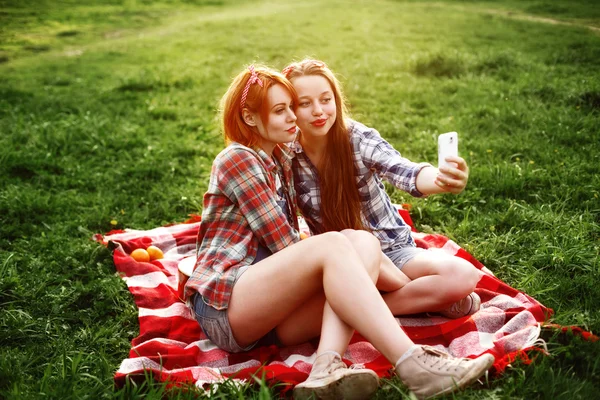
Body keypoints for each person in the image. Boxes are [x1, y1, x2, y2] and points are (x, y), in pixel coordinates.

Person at [185, 64, 494, 400]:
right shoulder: (238, 159)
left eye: (292, 107)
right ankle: (414, 366)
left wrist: (439, 178)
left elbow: (401, 170)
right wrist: (360, 268)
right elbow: (285, 246)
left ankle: (325, 369)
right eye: (281, 110)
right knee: (338, 244)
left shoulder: (281, 160)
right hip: (225, 308)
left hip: (271, 320)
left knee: (359, 242)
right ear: (249, 118)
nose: (294, 117)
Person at [283, 59, 484, 319]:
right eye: (305, 103)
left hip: (394, 251)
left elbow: (402, 170)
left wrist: (441, 179)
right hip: (341, 262)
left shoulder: (357, 138)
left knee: (462, 275)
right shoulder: (286, 155)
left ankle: (362, 308)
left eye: (326, 99)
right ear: (290, 109)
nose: (319, 111)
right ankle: (413, 299)